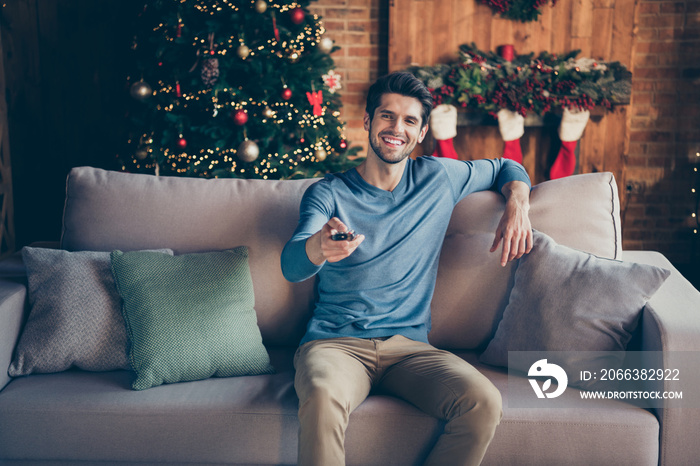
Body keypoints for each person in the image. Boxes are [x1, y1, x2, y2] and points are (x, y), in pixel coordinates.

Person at [281, 71, 533, 466]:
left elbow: (508, 167)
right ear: (367, 122)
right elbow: (292, 265)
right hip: (335, 345)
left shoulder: (439, 177)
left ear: (421, 132)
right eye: (387, 116)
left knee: (483, 401)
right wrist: (318, 248)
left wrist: (519, 203)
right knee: (322, 393)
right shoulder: (328, 193)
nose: (396, 128)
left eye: (409, 120)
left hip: (411, 350)